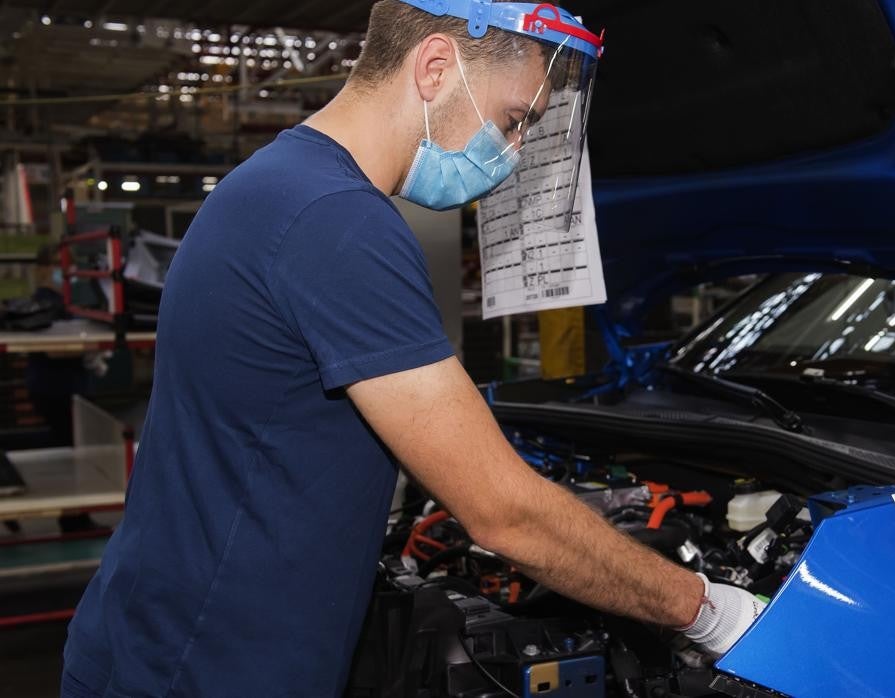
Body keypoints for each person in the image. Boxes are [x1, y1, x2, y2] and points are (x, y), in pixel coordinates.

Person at [62, 1, 763, 695]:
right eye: (515, 119)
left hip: (167, 640)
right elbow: (503, 513)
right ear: (434, 66)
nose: (512, 153)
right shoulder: (335, 221)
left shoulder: (279, 184)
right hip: (203, 668)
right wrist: (707, 610)